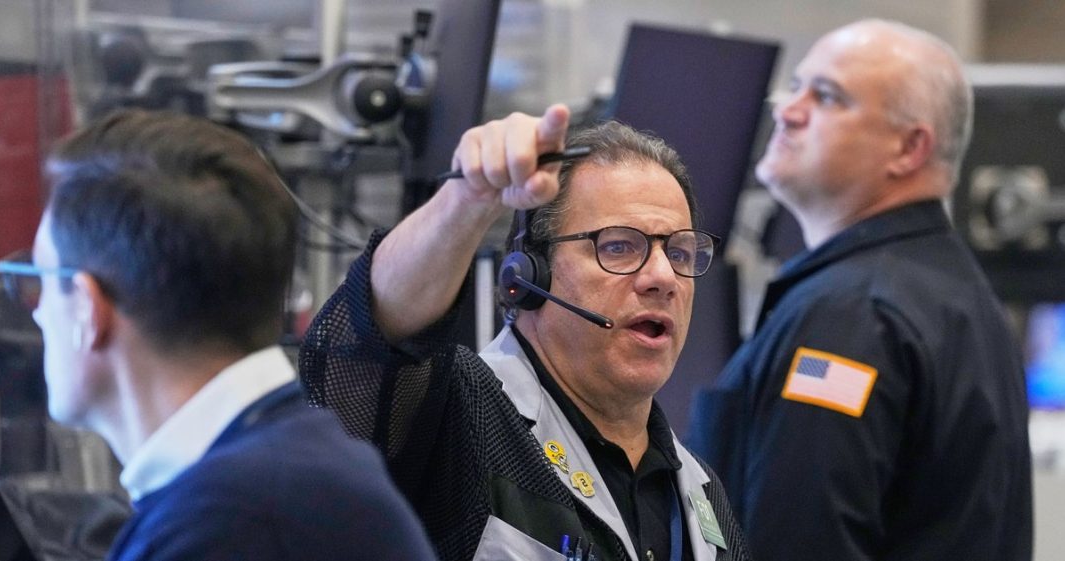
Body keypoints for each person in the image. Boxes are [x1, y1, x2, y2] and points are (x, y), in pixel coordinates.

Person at [299, 106, 750, 561]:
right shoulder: (459, 414)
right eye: (619, 246)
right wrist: (466, 201)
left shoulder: (705, 501)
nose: (663, 277)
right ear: (528, 276)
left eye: (680, 252)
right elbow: (366, 346)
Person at [2, 109, 437, 560]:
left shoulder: (233, 520)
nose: (38, 316)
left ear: (89, 310)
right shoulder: (280, 475)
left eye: (41, 282)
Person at [686, 19, 1033, 561]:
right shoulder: (954, 290)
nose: (788, 109)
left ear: (908, 147)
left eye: (826, 96)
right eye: (796, 86)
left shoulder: (849, 319)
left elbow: (799, 541)